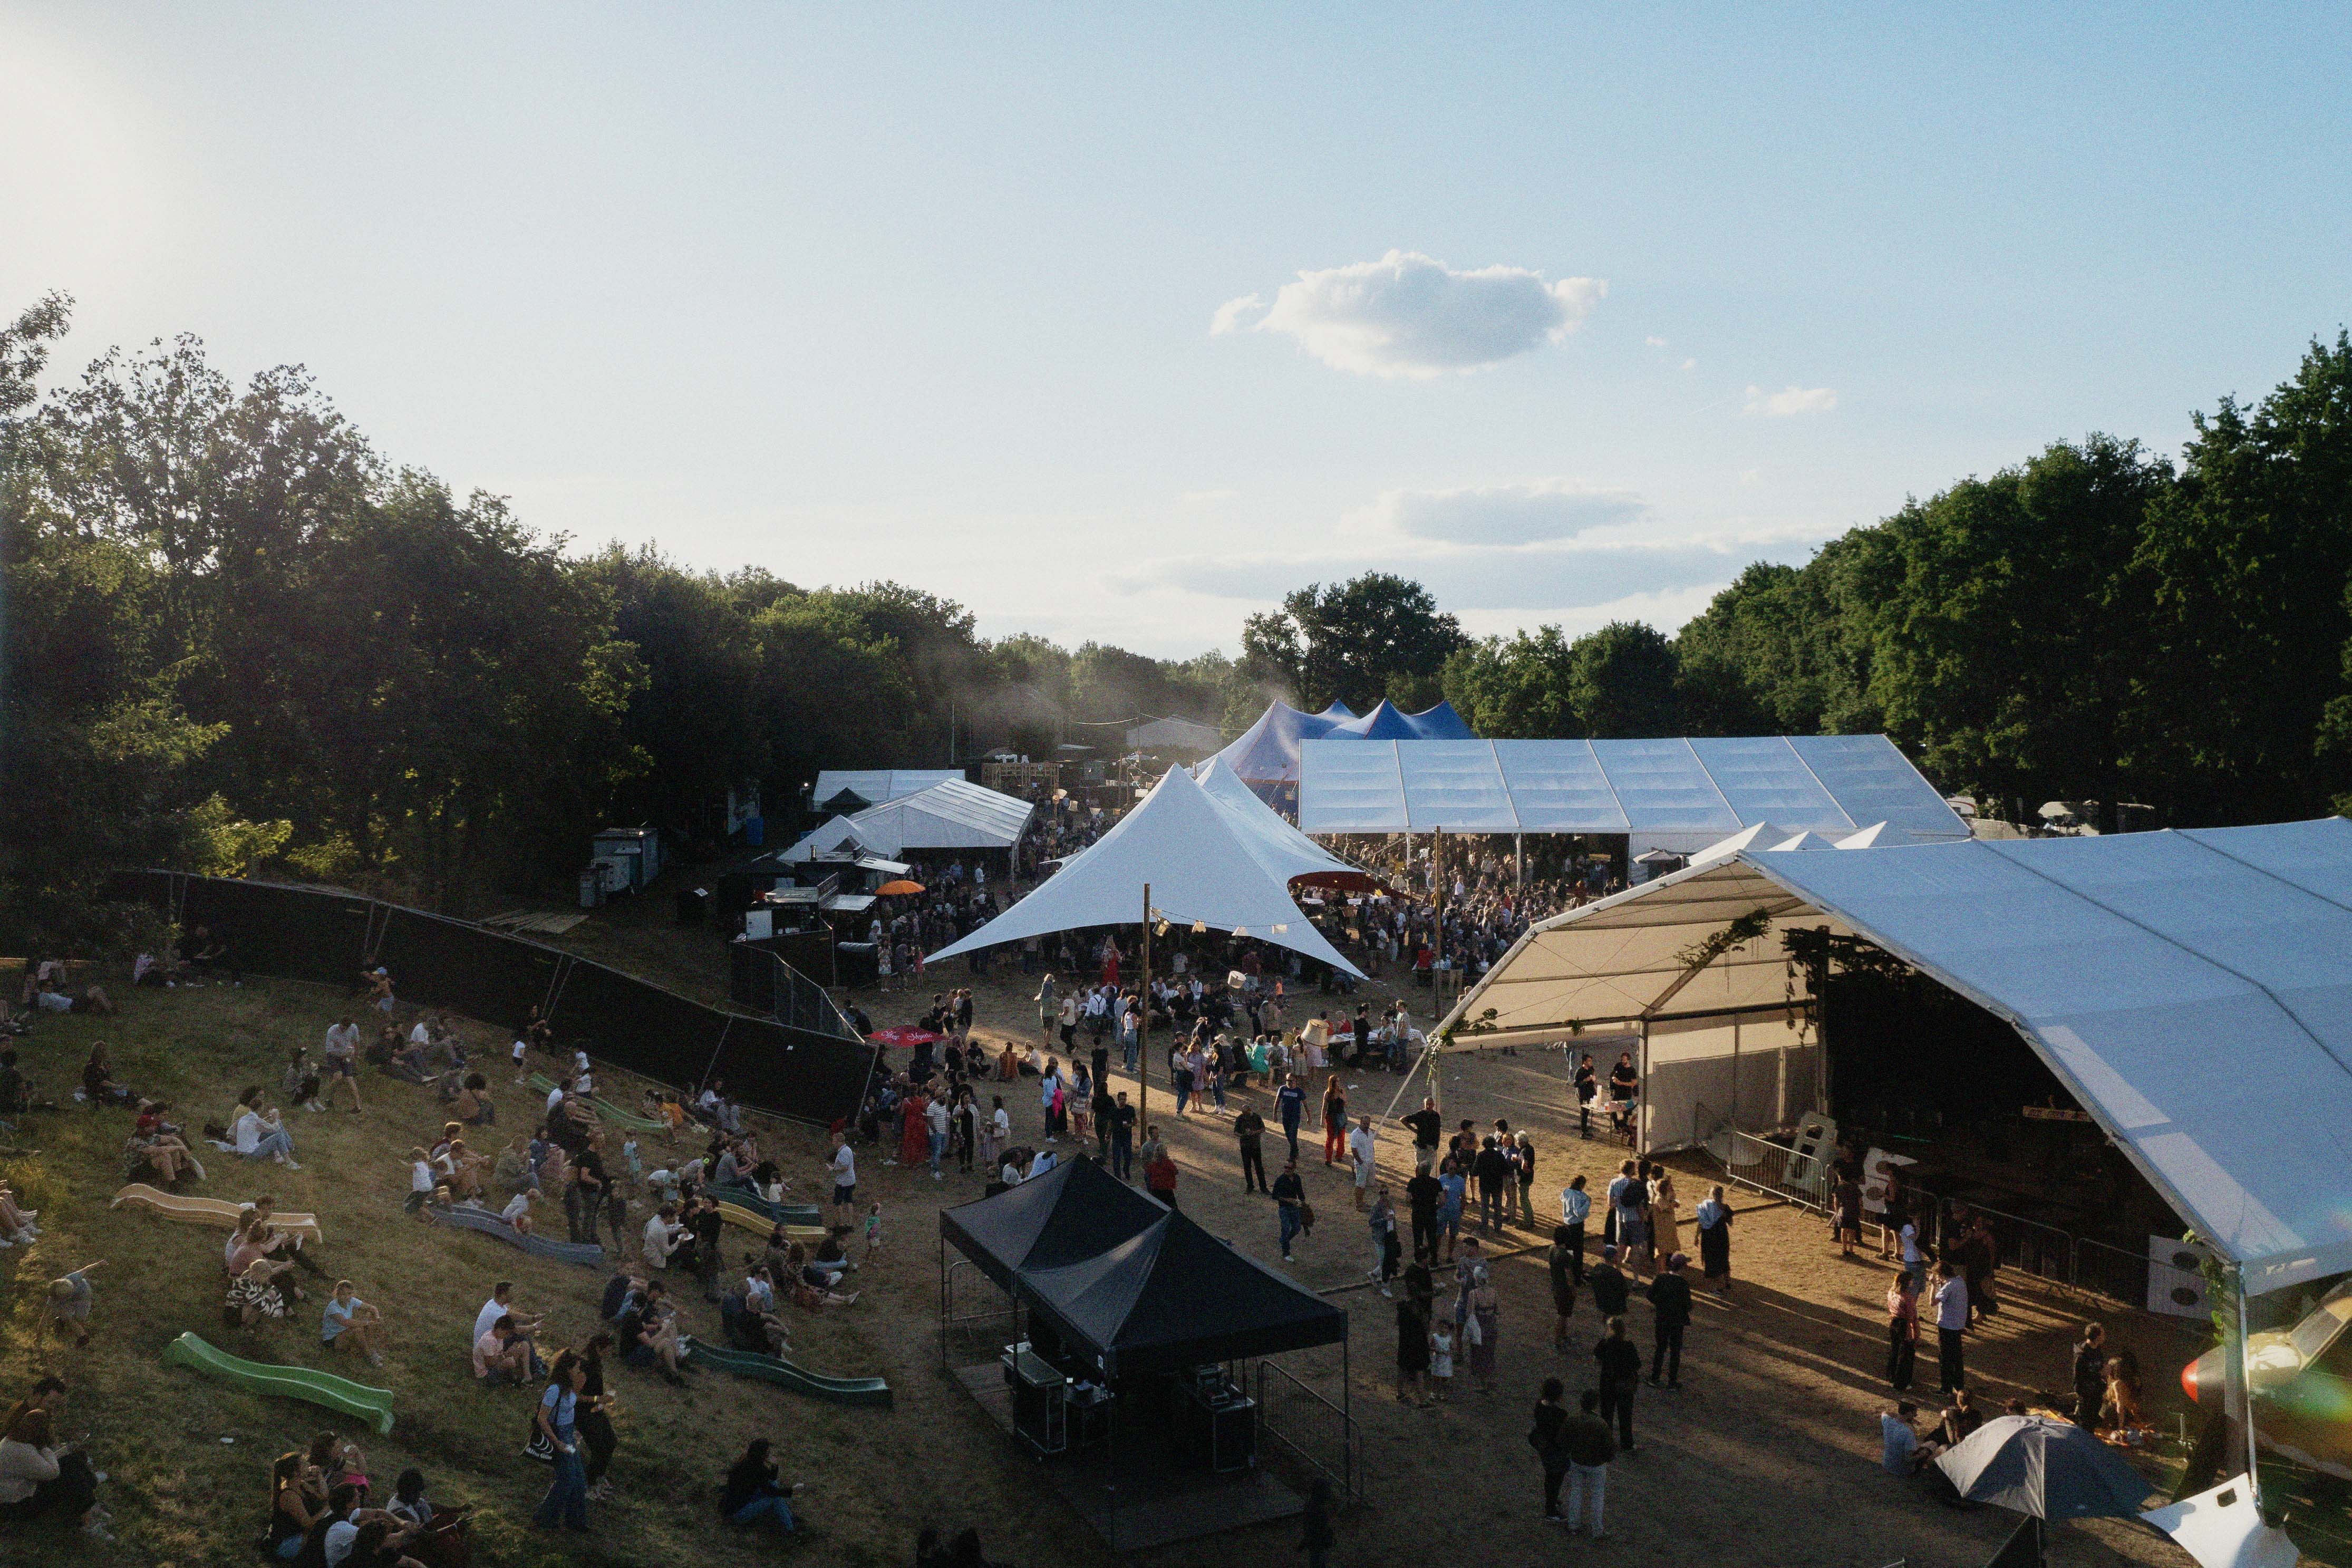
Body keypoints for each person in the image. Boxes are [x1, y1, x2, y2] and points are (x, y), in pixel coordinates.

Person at [0, 1405, 107, 1540]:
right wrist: (45, 1447)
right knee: (71, 1473)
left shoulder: (12, 1441)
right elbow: (53, 1472)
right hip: (16, 1506)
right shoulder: (22, 1450)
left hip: (19, 1493)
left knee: (73, 1460)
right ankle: (87, 1521)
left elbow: (39, 1465)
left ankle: (89, 1498)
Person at [533, 1351, 590, 1533]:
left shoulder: (568, 1389)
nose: (579, 1371)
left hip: (568, 1435)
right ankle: (545, 1518)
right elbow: (543, 1418)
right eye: (577, 1368)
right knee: (567, 1479)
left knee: (579, 1479)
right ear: (568, 1369)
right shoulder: (554, 1390)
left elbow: (569, 1410)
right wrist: (557, 1442)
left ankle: (576, 1521)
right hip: (558, 1437)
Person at [720, 1438, 804, 1536]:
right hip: (736, 1513)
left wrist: (774, 1467)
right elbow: (770, 1491)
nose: (769, 1454)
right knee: (774, 1498)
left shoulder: (748, 1463)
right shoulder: (757, 1469)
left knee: (774, 1485)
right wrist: (792, 1490)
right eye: (767, 1452)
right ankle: (790, 1530)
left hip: (742, 1501)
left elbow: (770, 1481)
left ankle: (790, 1518)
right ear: (762, 1454)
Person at [1562, 1388, 1615, 1537]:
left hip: (1577, 1461)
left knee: (1576, 1491)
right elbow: (1609, 1449)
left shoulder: (1573, 1419)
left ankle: (1573, 1525)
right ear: (1596, 1404)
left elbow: (1563, 1441)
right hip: (1597, 1465)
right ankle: (1597, 1530)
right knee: (1597, 1496)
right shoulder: (1601, 1424)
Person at [1594, 1314, 1641, 1454]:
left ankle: (1606, 1442)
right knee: (1625, 1415)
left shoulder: (1604, 1344)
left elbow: (1597, 1360)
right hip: (1624, 1385)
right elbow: (1637, 1365)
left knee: (1606, 1414)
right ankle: (1627, 1443)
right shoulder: (1629, 1346)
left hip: (1607, 1383)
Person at [1647, 1252, 1692, 1389]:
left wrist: (1660, 1305)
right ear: (1683, 1267)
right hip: (1677, 1322)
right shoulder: (1683, 1284)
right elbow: (1688, 1306)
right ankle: (1672, 1381)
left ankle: (1655, 1377)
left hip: (1662, 1319)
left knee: (1660, 1348)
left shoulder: (1661, 1278)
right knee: (1675, 1351)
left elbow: (1650, 1295)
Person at [321, 1280, 389, 1368]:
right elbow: (346, 1322)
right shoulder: (333, 1307)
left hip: (345, 1333)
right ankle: (369, 1357)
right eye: (343, 1294)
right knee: (358, 1330)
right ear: (337, 1294)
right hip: (332, 1340)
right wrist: (368, 1323)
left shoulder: (351, 1301)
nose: (347, 1297)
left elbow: (372, 1308)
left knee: (367, 1325)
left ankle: (373, 1352)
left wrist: (377, 1319)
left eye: (349, 1294)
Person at [1532, 1376, 1571, 1522]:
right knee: (1555, 1479)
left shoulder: (1539, 1406)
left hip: (1545, 1448)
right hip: (1556, 1450)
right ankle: (1551, 1510)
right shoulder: (1560, 1414)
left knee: (1551, 1477)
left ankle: (1552, 1501)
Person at [43, 1260, 101, 1349]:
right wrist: (38, 1338)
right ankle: (63, 1322)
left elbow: (86, 1269)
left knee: (79, 1320)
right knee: (65, 1315)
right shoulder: (55, 1295)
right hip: (69, 1300)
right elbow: (44, 1317)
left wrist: (99, 1264)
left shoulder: (74, 1279)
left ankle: (78, 1333)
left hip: (83, 1296)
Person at [1932, 1260, 1969, 1393]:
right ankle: (1959, 1386)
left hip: (1947, 1326)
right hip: (1957, 1326)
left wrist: (1934, 1286)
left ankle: (1946, 1388)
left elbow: (1933, 1302)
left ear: (1941, 1274)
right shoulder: (1960, 1282)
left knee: (1945, 1358)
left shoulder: (1948, 1287)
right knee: (1957, 1358)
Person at [1693, 1183, 1734, 1298]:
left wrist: (1696, 1236)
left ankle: (1718, 1289)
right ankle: (1727, 1283)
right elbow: (1731, 1223)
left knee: (1712, 1263)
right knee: (1723, 1260)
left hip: (1710, 1239)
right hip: (1722, 1237)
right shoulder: (1725, 1207)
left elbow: (1701, 1222)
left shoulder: (1706, 1206)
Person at [1886, 1270, 1920, 1391]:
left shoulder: (1891, 1293)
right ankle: (1902, 1382)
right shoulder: (1908, 1297)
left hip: (1894, 1323)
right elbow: (1912, 1317)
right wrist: (1915, 1332)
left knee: (1895, 1349)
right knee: (1906, 1354)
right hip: (1904, 1324)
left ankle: (1891, 1375)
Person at [2072, 1322, 2108, 1428]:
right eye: (2102, 1334)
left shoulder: (2097, 1350)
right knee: (2085, 1423)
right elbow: (2080, 1377)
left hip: (2097, 1391)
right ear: (2097, 1338)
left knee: (2093, 1421)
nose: (2104, 1337)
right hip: (2087, 1394)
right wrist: (2100, 1374)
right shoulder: (2082, 1355)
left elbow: (2098, 1365)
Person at [1272, 1158, 1306, 1262]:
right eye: (1285, 1167)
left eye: (1289, 1168)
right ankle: (1286, 1252)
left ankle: (1284, 1241)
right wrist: (1287, 1200)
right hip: (1284, 1208)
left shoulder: (1297, 1178)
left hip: (1294, 1207)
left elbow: (1300, 1193)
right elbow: (1274, 1195)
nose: (1287, 1170)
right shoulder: (1280, 1180)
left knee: (1296, 1228)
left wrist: (1302, 1204)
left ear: (1294, 1169)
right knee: (1286, 1229)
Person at [1298, 1474, 1335, 1568]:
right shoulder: (1319, 1509)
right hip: (1317, 1543)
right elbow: (1321, 1529)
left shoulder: (1311, 1506)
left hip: (1315, 1543)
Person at [1881, 1401, 1927, 1475]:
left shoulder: (1888, 1422)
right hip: (1903, 1471)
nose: (1916, 1416)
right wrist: (1922, 1454)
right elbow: (1909, 1459)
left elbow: (1885, 1413)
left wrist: (1901, 1416)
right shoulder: (1908, 1433)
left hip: (1886, 1465)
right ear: (1909, 1414)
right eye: (1914, 1414)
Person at [1402, 1095, 1443, 1174]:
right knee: (1420, 1167)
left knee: (1429, 1168)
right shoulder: (1420, 1114)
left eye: (1431, 1104)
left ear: (1433, 1105)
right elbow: (1403, 1120)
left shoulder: (1436, 1116)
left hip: (1432, 1146)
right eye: (1427, 1104)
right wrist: (1413, 1130)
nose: (1429, 1106)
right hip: (1421, 1145)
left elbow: (1438, 1130)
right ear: (1424, 1104)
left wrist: (1437, 1144)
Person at [1589, 1244, 1630, 1319]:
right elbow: (1625, 1292)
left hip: (1601, 1303)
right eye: (1617, 1256)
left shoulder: (1598, 1268)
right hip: (1615, 1306)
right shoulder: (1616, 1274)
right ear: (1613, 1258)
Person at [1234, 1104, 1268, 1194]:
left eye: (1247, 1112)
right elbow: (1236, 1132)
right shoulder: (1240, 1119)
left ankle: (1263, 1187)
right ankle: (1250, 1186)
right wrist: (1243, 1135)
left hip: (1255, 1145)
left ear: (1250, 1110)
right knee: (1247, 1167)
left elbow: (1263, 1129)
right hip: (1245, 1146)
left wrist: (1254, 1133)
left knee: (1259, 1167)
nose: (1245, 1115)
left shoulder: (1257, 1117)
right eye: (1244, 1113)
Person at [1347, 1115, 1377, 1211]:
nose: (1366, 1126)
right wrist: (1361, 1162)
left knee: (1369, 1183)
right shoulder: (1355, 1134)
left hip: (1370, 1162)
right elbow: (1354, 1150)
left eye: (1368, 1124)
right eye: (1364, 1123)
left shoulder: (1370, 1133)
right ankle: (1359, 1205)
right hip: (1362, 1163)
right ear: (1360, 1122)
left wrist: (1373, 1158)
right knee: (1360, 1184)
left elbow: (1372, 1147)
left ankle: (1362, 1201)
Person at [1275, 1073, 1306, 1164]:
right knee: (1288, 1135)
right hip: (1285, 1116)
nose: (1289, 1082)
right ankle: (1295, 1149)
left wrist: (1309, 1116)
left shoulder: (1299, 1091)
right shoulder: (1282, 1089)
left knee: (1293, 1135)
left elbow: (1305, 1104)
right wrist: (1275, 1114)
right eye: (1288, 1080)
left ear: (1296, 1081)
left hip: (1295, 1117)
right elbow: (1277, 1102)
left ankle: (1292, 1156)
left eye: (1291, 1080)